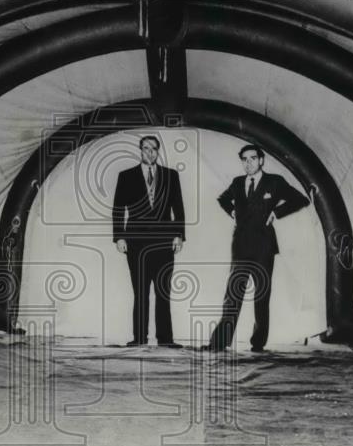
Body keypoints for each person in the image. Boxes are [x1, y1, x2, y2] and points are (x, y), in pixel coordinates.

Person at [203, 144, 310, 352]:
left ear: (261, 160)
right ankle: (219, 342)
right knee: (233, 294)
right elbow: (223, 199)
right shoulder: (237, 182)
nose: (248, 163)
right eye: (244, 159)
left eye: (252, 158)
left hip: (264, 247)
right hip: (241, 246)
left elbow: (301, 199)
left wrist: (276, 213)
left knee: (261, 295)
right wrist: (232, 212)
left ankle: (258, 343)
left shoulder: (275, 182)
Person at [112, 134, 185, 348]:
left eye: (153, 148)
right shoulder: (126, 176)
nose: (150, 152)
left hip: (164, 242)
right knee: (141, 292)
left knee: (163, 291)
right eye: (146, 148)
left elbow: (178, 208)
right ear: (140, 150)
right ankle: (139, 338)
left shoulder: (171, 176)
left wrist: (179, 235)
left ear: (158, 150)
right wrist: (119, 236)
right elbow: (118, 209)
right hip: (136, 242)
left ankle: (166, 339)